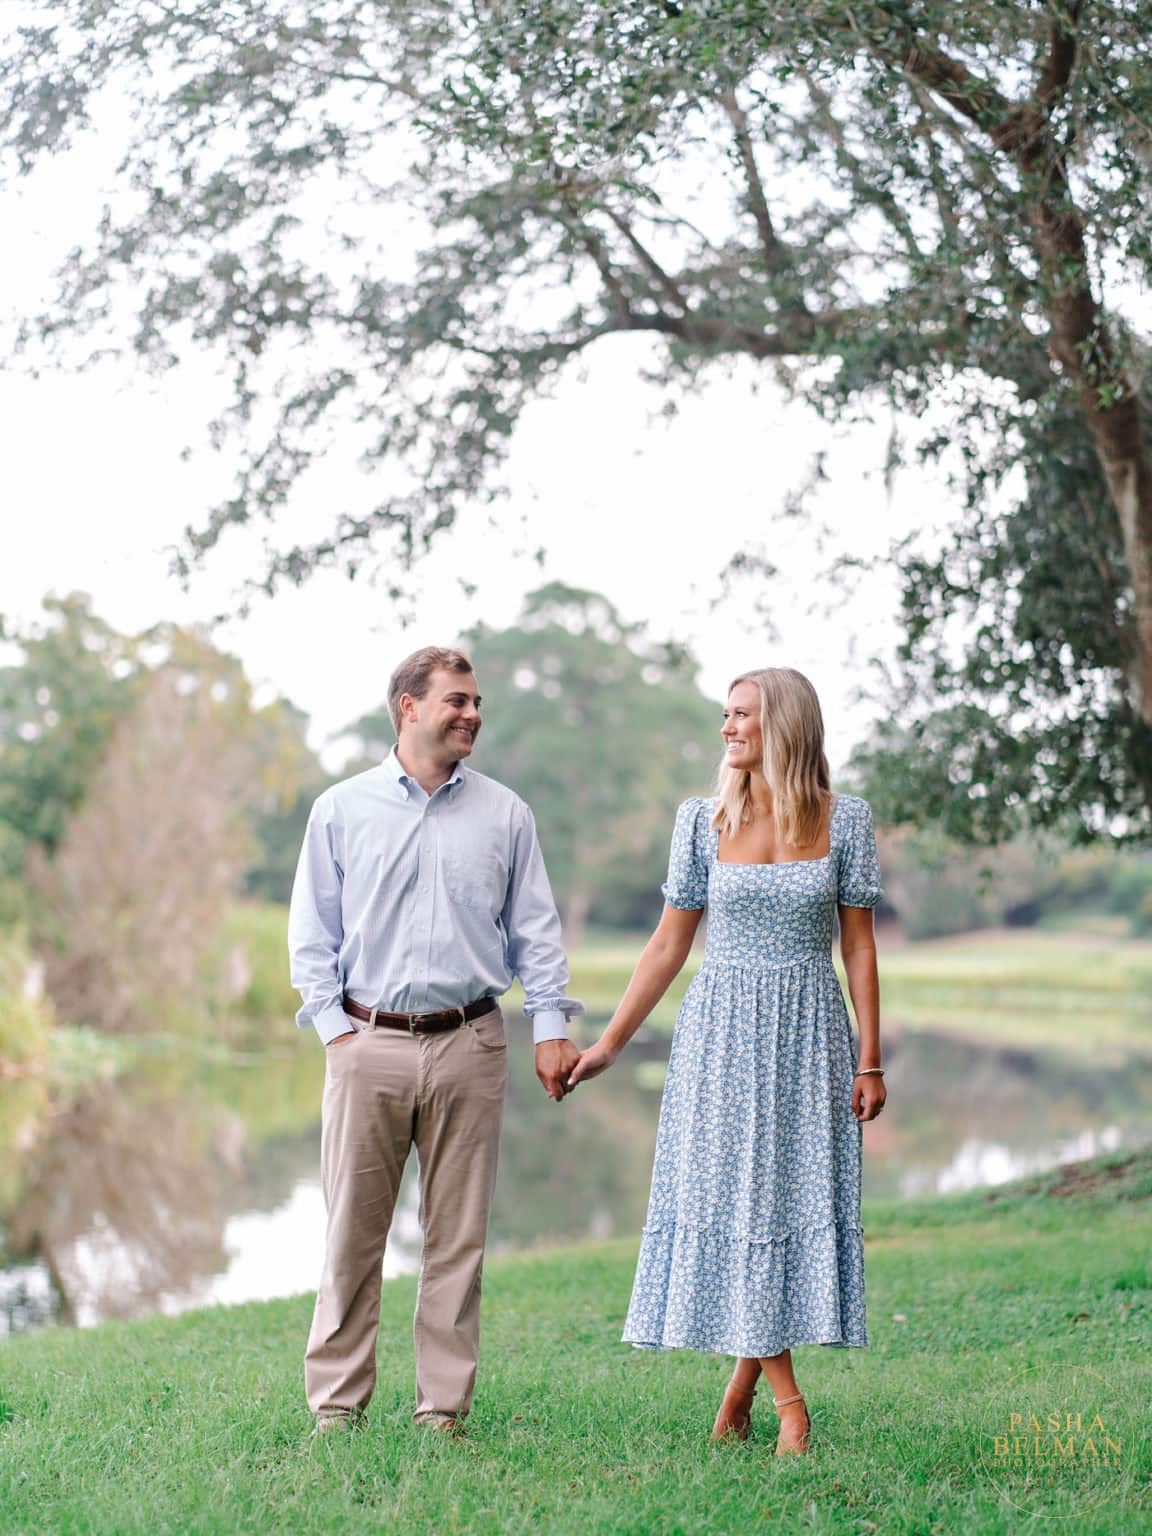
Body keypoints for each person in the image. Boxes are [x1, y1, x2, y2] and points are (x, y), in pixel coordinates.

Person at [569, 666, 886, 1456]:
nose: (728, 728)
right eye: (725, 714)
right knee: (736, 1204)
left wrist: (871, 1060)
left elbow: (858, 945)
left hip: (812, 1033)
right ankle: (788, 1405)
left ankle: (741, 1393)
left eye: (742, 714)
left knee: (778, 1206)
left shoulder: (845, 822)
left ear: (782, 722)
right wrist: (609, 1042)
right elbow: (670, 943)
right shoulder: (700, 821)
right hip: (721, 1037)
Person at [288, 645, 583, 1438]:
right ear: (408, 707)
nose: (472, 713)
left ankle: (441, 1412)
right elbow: (312, 932)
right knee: (353, 1233)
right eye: (457, 700)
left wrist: (549, 1027)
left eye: (477, 701)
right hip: (367, 1044)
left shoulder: (506, 814)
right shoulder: (341, 810)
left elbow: (536, 934)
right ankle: (338, 1409)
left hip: (469, 1043)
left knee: (458, 1240)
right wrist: (335, 1034)